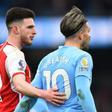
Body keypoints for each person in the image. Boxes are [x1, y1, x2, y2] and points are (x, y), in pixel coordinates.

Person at [15, 5, 97, 112]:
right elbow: (82, 92)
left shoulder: (45, 60)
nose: (89, 36)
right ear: (80, 35)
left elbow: (28, 99)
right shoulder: (82, 57)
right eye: (88, 31)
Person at [0, 7, 66, 112]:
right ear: (16, 29)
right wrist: (45, 94)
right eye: (30, 27)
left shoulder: (2, 51)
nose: (34, 32)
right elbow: (19, 84)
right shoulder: (14, 54)